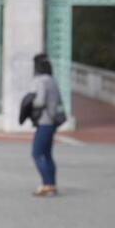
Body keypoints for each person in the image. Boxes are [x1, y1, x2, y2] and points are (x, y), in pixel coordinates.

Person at [30, 53, 64, 197]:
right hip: (53, 121)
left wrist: (30, 101)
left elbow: (40, 101)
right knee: (48, 154)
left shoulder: (41, 81)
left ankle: (47, 184)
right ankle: (52, 184)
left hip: (44, 121)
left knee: (36, 153)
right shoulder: (52, 80)